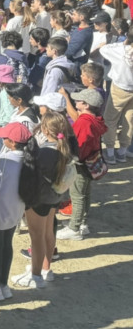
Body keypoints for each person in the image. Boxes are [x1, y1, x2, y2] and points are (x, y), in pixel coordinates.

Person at [11, 111, 73, 288]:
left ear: (45, 129)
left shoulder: (45, 152)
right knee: (47, 232)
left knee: (36, 236)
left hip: (39, 198)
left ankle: (36, 275)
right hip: (54, 196)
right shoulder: (64, 147)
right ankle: (46, 269)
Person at [0, 122, 33, 301]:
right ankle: (3, 284)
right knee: (7, 244)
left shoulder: (4, 161)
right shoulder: (30, 159)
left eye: (5, 138)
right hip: (16, 210)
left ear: (12, 143)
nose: (2, 139)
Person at [57, 89, 107, 241]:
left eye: (78, 100)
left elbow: (79, 145)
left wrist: (70, 159)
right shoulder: (95, 119)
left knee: (77, 196)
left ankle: (74, 228)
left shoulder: (84, 122)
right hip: (91, 162)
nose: (75, 102)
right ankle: (83, 224)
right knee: (85, 194)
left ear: (85, 105)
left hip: (80, 164)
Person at [91, 33, 133, 164]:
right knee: (129, 120)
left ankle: (110, 152)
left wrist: (122, 43)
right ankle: (122, 152)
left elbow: (104, 49)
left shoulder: (120, 50)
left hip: (120, 87)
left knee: (110, 119)